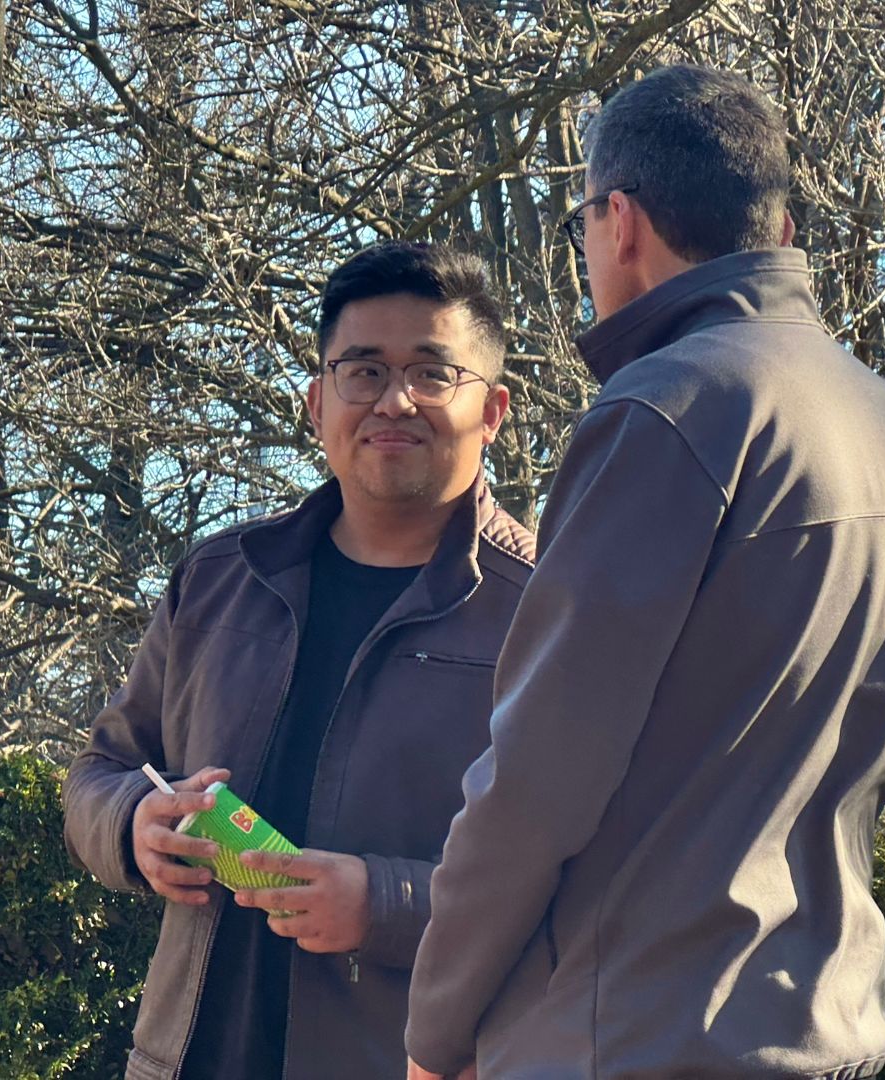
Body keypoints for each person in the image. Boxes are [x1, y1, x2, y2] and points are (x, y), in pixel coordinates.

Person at [406, 65, 885, 1080]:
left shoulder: (668, 407)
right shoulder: (881, 417)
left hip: (640, 1036)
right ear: (775, 224)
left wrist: (437, 1028)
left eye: (583, 230)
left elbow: (540, 776)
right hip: (821, 1021)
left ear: (620, 220)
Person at [62, 241, 536, 1080]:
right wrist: (132, 823)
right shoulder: (219, 580)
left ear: (492, 410)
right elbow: (102, 769)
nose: (395, 399)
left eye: (433, 374)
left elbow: (590, 881)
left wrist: (387, 903)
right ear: (316, 402)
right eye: (362, 371)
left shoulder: (544, 610)